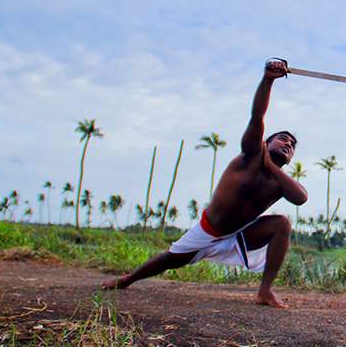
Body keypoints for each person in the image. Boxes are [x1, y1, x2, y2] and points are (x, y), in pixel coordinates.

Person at [101, 59, 307, 308]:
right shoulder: (250, 156)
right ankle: (127, 279)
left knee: (281, 224)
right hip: (209, 229)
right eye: (283, 139)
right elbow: (257, 116)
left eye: (293, 146)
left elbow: (300, 197)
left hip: (239, 233)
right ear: (266, 142)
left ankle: (265, 291)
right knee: (170, 259)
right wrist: (268, 80)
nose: (288, 144)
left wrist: (272, 167)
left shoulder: (279, 181)